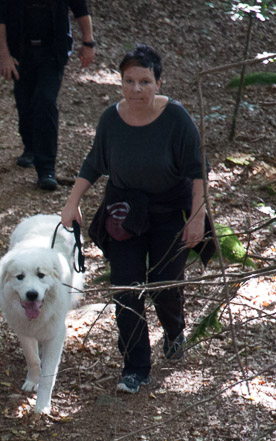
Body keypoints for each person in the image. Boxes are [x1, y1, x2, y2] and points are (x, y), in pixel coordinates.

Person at [60, 44, 210, 394]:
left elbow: (197, 170)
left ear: (159, 82)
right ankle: (135, 367)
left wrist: (198, 217)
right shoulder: (111, 119)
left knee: (164, 284)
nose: (136, 89)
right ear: (121, 82)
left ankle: (174, 331)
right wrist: (72, 202)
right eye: (129, 81)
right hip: (124, 212)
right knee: (126, 288)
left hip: (170, 212)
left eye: (145, 81)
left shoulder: (176, 118)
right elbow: (94, 162)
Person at [0, 0, 95, 191]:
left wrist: (88, 42)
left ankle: (46, 169)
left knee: (45, 101)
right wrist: (4, 55)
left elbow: (80, 9)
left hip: (53, 51)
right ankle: (30, 147)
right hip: (20, 51)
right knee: (25, 102)